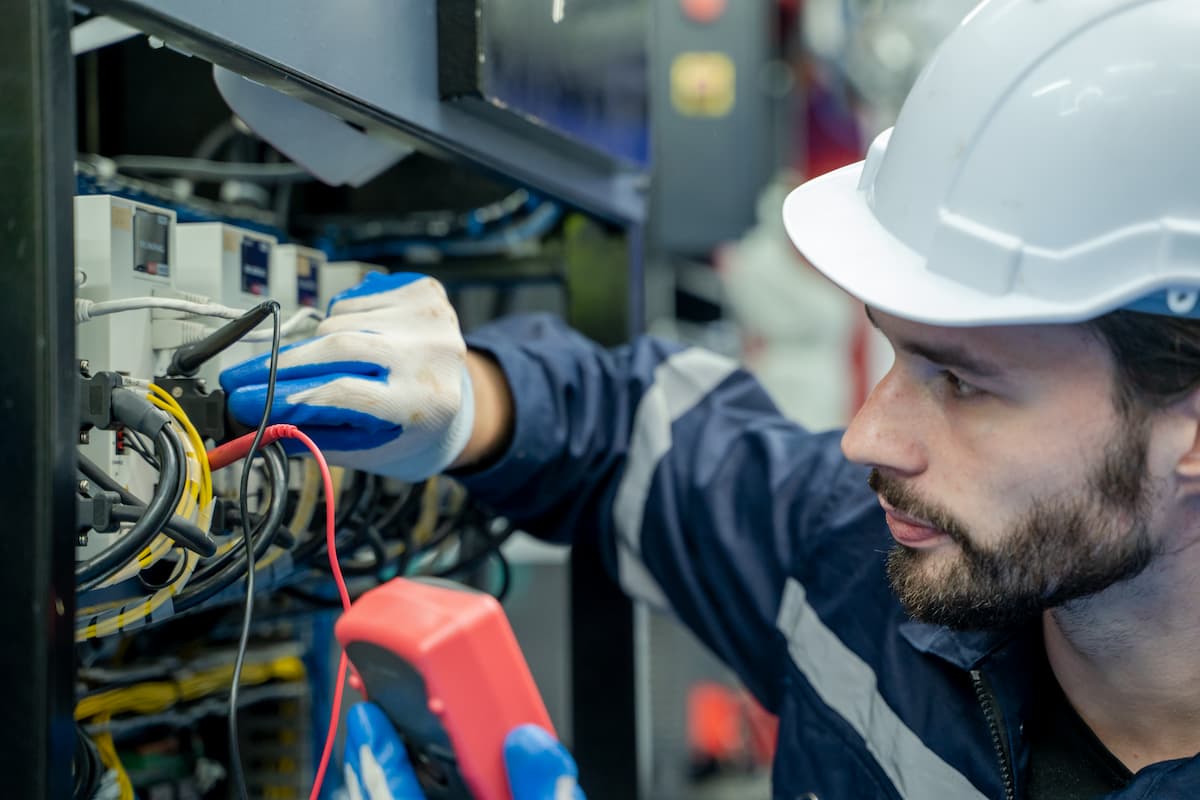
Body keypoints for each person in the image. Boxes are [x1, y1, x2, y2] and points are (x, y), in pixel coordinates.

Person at [220, 1, 1200, 797]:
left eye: (965, 382)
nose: (869, 436)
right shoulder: (867, 565)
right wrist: (471, 399)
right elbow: (632, 429)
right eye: (898, 355)